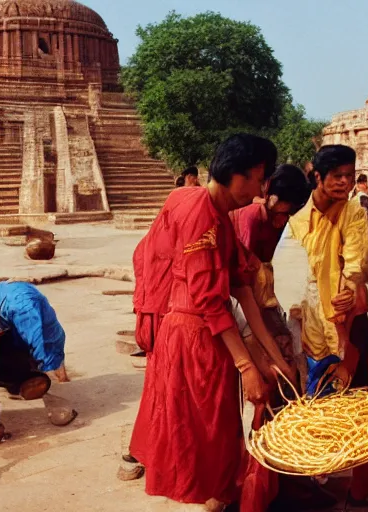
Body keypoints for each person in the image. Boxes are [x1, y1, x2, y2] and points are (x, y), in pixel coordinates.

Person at [131, 134, 275, 510]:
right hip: (193, 335)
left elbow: (240, 286)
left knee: (220, 427)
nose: (261, 189)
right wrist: (247, 365)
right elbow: (211, 301)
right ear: (235, 176)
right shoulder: (203, 217)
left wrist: (273, 356)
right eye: (259, 179)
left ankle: (219, 495)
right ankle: (213, 496)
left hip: (200, 330)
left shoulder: (207, 207)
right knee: (202, 429)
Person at [287, 144, 368, 507]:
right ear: (318, 176)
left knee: (360, 400)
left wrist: (350, 286)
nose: (345, 182)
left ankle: (360, 492)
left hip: (348, 321)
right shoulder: (297, 221)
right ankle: (318, 475)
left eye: (349, 175)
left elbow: (356, 258)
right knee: (316, 402)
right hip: (310, 327)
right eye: (337, 176)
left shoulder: (354, 212)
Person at [0, 281, 76, 451]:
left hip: (41, 330)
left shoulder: (25, 312)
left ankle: (28, 378)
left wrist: (42, 366)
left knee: (18, 362)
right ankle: (20, 379)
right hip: (13, 317)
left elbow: (38, 343)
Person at [230, 164, 312, 385]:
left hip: (261, 295)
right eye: (284, 212)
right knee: (267, 363)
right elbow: (243, 277)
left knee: (285, 343)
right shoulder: (252, 216)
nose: (284, 220)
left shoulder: (278, 220)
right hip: (240, 296)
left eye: (290, 213)